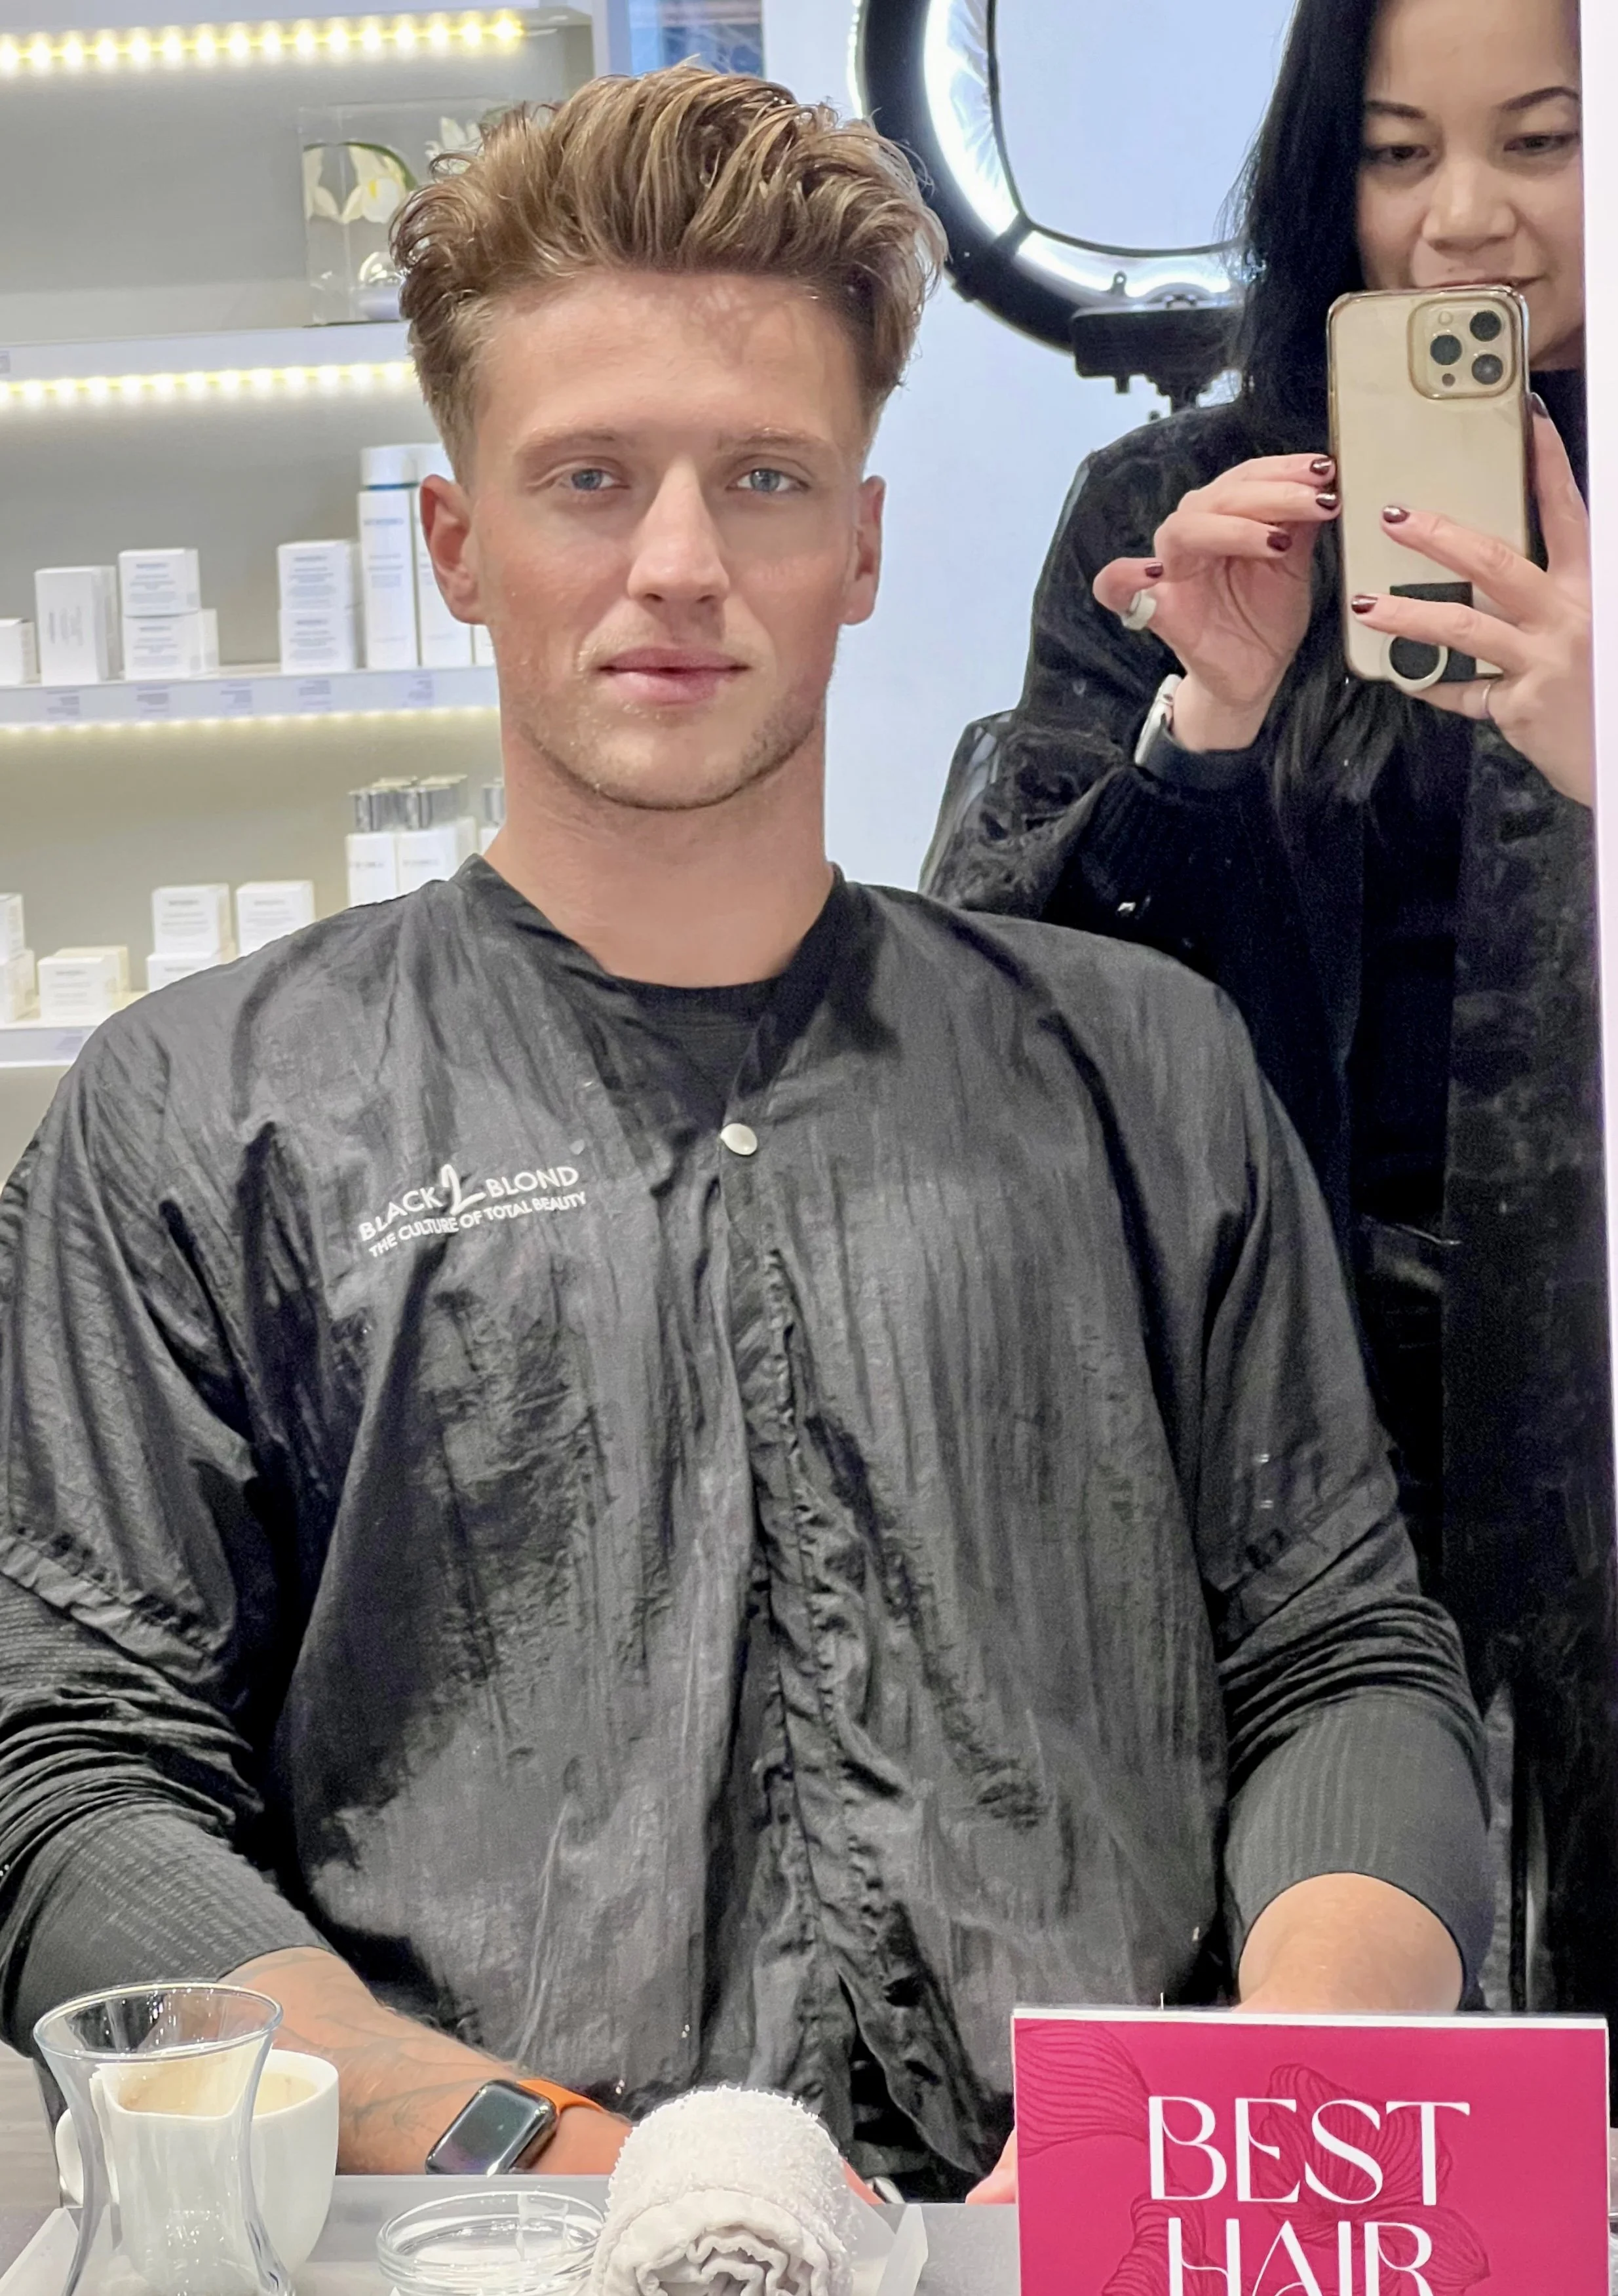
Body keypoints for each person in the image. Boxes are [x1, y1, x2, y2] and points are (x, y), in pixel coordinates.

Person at [0, 64, 1488, 2202]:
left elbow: (1341, 1661)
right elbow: (72, 1785)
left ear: (862, 545)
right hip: (479, 2234)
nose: (680, 566)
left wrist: (1221, 2124)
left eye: (767, 478)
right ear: (456, 543)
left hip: (1074, 2232)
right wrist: (562, 2162)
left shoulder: (1141, 1073)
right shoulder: (201, 1114)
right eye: (589, 477)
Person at [925, 0, 1613, 2025]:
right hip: (1268, 1461)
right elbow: (990, 1016)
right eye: (1398, 153)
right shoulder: (1168, 506)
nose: (1464, 220)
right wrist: (1200, 725)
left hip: (1593, 1423)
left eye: (1541, 139)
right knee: (1301, 2075)